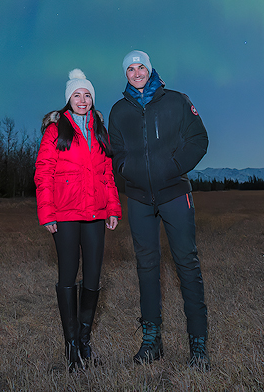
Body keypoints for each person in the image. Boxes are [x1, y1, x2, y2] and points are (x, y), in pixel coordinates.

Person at [108, 49, 210, 370]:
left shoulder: (177, 101)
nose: (136, 73)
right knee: (147, 266)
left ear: (149, 70)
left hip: (174, 194)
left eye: (141, 68)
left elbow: (199, 139)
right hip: (138, 198)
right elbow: (116, 152)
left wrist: (174, 166)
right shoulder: (119, 111)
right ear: (125, 75)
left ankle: (198, 344)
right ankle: (152, 340)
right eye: (130, 70)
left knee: (186, 264)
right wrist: (128, 169)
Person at [35, 69, 121, 372]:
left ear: (92, 99)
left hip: (96, 213)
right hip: (66, 214)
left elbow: (106, 173)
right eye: (76, 95)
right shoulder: (56, 130)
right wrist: (47, 214)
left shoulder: (99, 129)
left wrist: (112, 208)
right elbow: (43, 173)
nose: (82, 100)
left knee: (94, 277)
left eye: (87, 95)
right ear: (68, 100)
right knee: (68, 276)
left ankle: (85, 341)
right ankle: (71, 347)